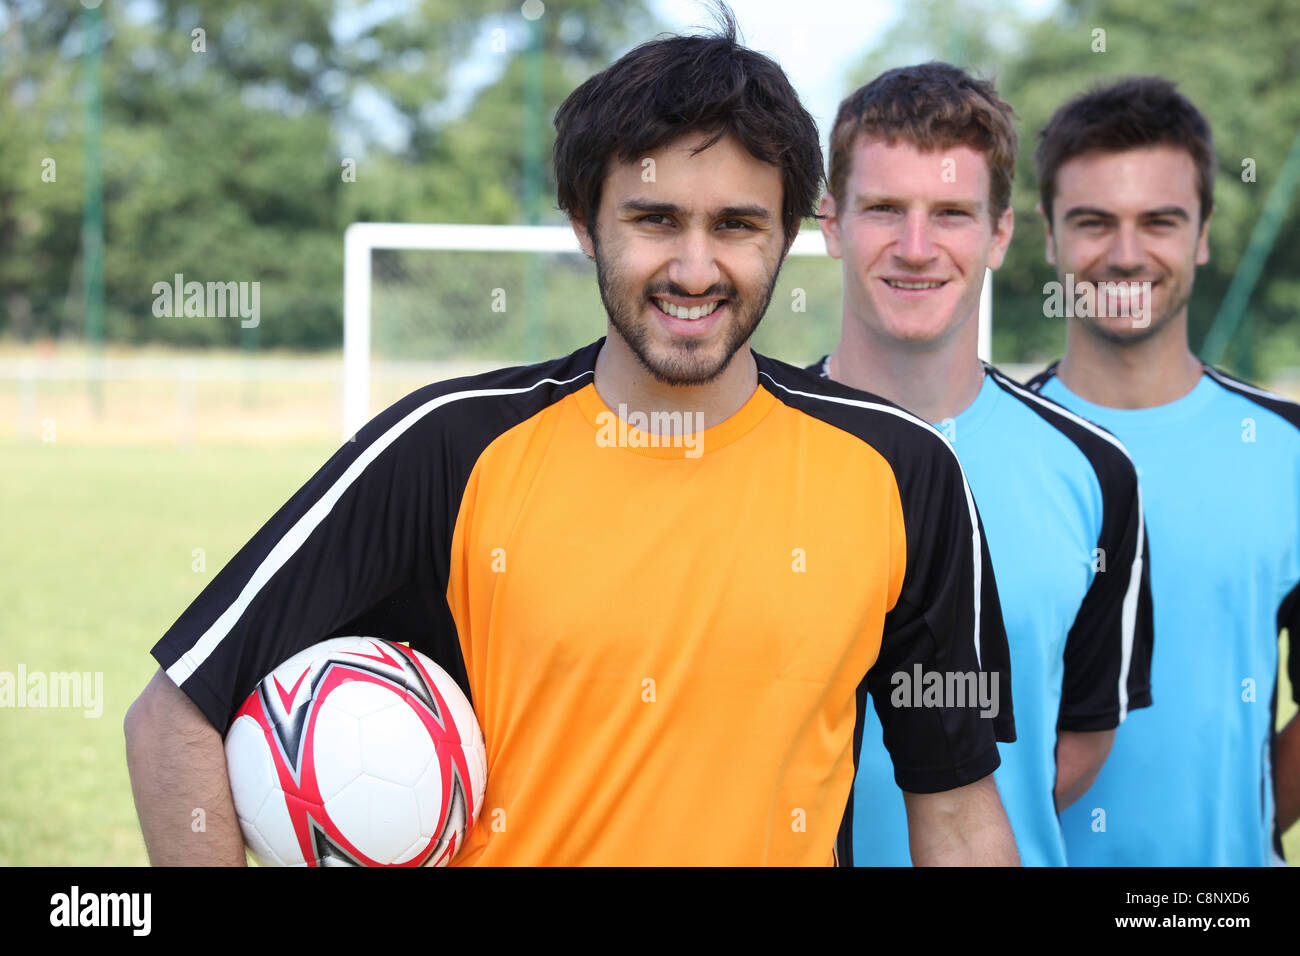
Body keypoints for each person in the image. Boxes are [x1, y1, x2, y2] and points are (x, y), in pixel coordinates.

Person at [123, 12, 1017, 866]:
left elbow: (957, 806)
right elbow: (172, 719)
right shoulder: (450, 447)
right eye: (655, 219)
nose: (696, 269)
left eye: (737, 225)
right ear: (585, 223)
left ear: (789, 233)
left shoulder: (904, 474)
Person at [811, 62, 1152, 866]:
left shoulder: (1097, 472)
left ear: (1000, 235)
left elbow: (1077, 742)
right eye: (885, 209)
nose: (917, 248)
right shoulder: (749, 448)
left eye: (952, 214)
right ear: (831, 222)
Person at [1027, 75, 1300, 865]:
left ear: (1204, 233)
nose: (1125, 254)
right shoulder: (980, 452)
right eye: (1092, 222)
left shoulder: (1286, 452)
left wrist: (1240, 834)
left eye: (1160, 221)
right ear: (1047, 235)